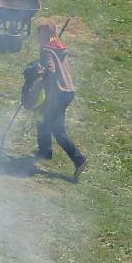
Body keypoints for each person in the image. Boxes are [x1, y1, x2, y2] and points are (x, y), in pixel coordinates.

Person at [35, 22, 88, 182]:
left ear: (43, 35)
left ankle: (79, 159)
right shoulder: (59, 47)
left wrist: (40, 81)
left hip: (57, 93)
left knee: (58, 131)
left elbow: (50, 70)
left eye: (39, 34)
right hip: (68, 91)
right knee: (43, 119)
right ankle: (45, 151)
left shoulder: (46, 50)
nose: (38, 37)